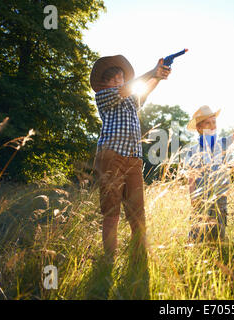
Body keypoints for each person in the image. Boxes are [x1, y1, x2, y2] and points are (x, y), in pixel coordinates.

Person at [90, 54, 171, 259]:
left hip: (134, 158)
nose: (120, 81)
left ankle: (139, 257)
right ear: (105, 84)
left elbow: (144, 90)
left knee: (137, 213)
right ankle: (109, 259)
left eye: (121, 78)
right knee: (111, 213)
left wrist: (158, 76)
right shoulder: (103, 96)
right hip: (111, 155)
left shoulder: (131, 101)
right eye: (114, 79)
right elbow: (127, 89)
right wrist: (152, 71)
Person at [183, 105, 234, 242]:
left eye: (214, 122)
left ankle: (217, 255)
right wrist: (193, 198)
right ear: (199, 128)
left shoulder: (223, 144)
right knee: (197, 234)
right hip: (201, 199)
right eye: (208, 123)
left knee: (218, 235)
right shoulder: (193, 150)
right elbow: (191, 177)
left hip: (220, 198)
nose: (212, 126)